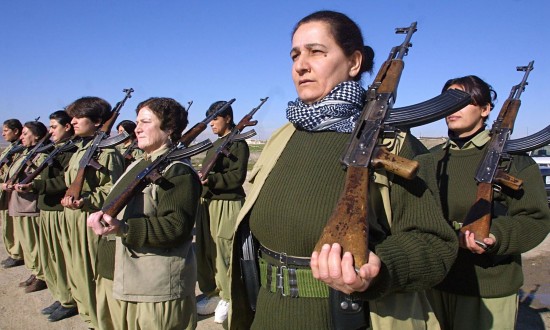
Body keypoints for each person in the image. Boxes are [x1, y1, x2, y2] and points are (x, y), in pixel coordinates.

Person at [228, 10, 457, 329]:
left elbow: (434, 245)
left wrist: (380, 269)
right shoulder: (285, 135)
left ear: (353, 62)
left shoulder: (391, 143)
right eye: (295, 54)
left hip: (345, 316)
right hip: (267, 311)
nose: (300, 64)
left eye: (316, 52)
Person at [426, 75, 550, 329]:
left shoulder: (513, 161)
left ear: (485, 109)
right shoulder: (429, 160)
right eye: (447, 101)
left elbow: (535, 219)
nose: (452, 108)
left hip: (488, 286)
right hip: (434, 283)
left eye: (463, 101)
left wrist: (496, 236)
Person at [87, 97, 200, 330]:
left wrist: (123, 229)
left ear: (169, 129)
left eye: (145, 122)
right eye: (137, 121)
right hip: (117, 279)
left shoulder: (177, 171)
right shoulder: (138, 165)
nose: (136, 128)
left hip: (151, 290)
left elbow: (176, 226)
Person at [60, 97, 125, 329]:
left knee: (92, 274)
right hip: (72, 218)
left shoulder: (107, 152)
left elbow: (113, 192)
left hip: (91, 221)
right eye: (72, 117)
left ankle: (98, 321)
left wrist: (86, 200)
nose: (73, 122)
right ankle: (88, 315)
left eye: (79, 118)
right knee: (77, 269)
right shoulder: (82, 149)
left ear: (98, 121)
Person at [16, 110, 79, 321]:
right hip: (46, 207)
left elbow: (65, 181)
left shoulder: (72, 150)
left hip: (58, 210)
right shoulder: (56, 149)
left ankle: (69, 299)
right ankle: (61, 295)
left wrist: (36, 185)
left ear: (67, 127)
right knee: (50, 258)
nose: (50, 131)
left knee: (62, 259)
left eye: (54, 127)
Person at [195, 101, 249, 323]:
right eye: (209, 121)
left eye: (215, 119)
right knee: (207, 251)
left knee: (224, 252)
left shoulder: (238, 144)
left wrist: (212, 179)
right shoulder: (215, 144)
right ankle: (213, 293)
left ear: (227, 118)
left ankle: (228, 296)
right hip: (207, 203)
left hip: (226, 203)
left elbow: (237, 177)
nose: (212, 125)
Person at [2, 121, 49, 293]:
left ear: (36, 135)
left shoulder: (42, 155)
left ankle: (41, 275)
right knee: (27, 244)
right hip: (18, 202)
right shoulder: (26, 152)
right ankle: (34, 272)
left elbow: (40, 178)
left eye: (25, 133)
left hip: (29, 205)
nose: (21, 136)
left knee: (34, 244)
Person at [0, 119, 25, 268]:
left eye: (6, 130)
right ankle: (12, 252)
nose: (3, 134)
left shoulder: (21, 149)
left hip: (14, 191)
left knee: (15, 225)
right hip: (5, 189)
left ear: (16, 131)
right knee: (7, 224)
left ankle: (17, 253)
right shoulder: (10, 148)